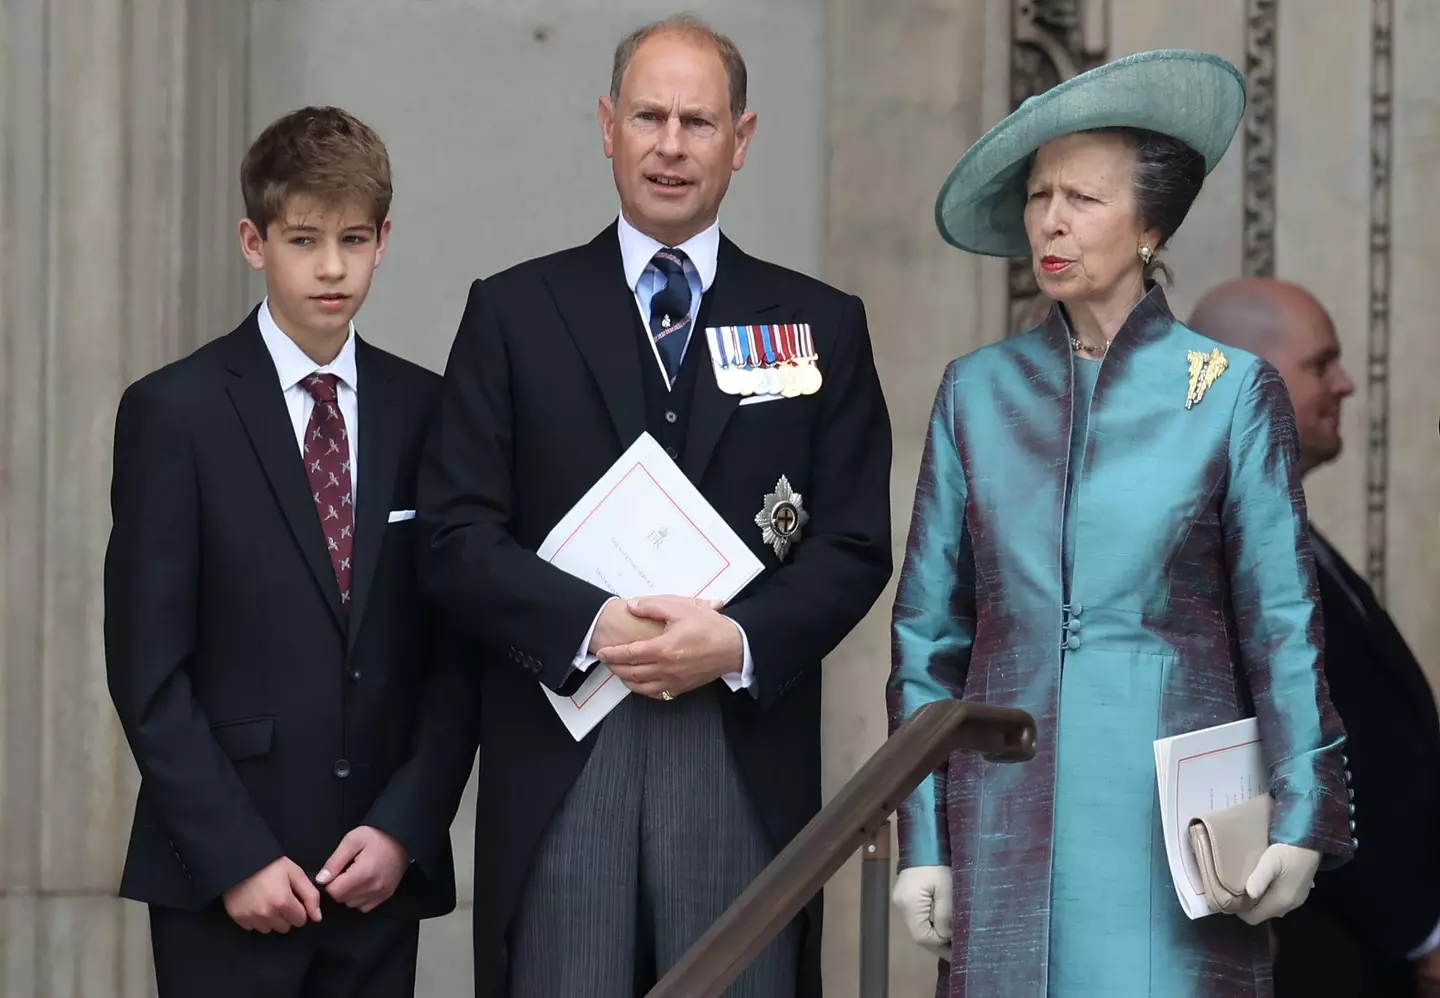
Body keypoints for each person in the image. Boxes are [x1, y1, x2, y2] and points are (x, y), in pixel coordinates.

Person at [417, 15, 892, 998]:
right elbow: (455, 533)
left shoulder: (820, 324)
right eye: (649, 116)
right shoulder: (513, 313)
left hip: (738, 755)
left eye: (698, 122)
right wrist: (587, 621)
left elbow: (850, 542)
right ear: (606, 125)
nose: (671, 145)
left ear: (742, 139)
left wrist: (737, 641)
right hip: (562, 757)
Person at [886, 51, 1355, 996]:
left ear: (1149, 225)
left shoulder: (1228, 392)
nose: (1051, 221)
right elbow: (929, 635)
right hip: (1001, 807)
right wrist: (922, 835)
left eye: (1084, 200)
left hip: (1169, 824)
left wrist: (1303, 812)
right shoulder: (977, 393)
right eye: (1039, 195)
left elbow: (1282, 629)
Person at [104, 106, 481, 997]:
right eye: (303, 238)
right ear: (252, 239)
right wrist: (234, 857)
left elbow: (456, 652)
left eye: (354, 238)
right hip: (224, 877)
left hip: (373, 876)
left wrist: (405, 827)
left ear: (384, 240)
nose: (331, 267)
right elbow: (147, 669)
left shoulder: (428, 411)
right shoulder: (175, 413)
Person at [1190, 277, 1440, 998]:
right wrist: (1418, 931)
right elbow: (1297, 755)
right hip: (1314, 955)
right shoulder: (1216, 542)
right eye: (1321, 364)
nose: (1347, 384)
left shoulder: (1283, 527)